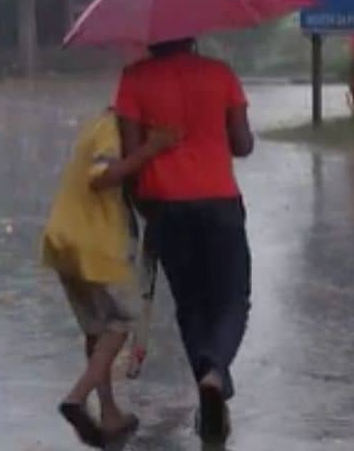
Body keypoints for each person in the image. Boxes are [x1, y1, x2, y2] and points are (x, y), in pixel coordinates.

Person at [114, 37, 254, 445]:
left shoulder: (134, 79)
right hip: (220, 202)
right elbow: (243, 144)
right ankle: (215, 375)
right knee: (232, 300)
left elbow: (131, 155)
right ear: (191, 35)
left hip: (166, 207)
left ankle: (209, 388)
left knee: (192, 306)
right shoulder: (220, 74)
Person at [40, 108, 178, 449]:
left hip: (65, 238)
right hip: (98, 243)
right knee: (123, 319)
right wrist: (151, 149)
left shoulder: (99, 124)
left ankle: (109, 411)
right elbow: (100, 175)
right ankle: (77, 396)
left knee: (97, 330)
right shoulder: (112, 130)